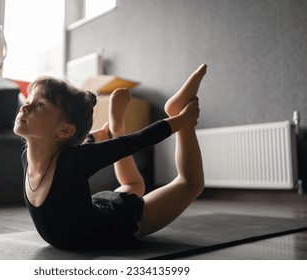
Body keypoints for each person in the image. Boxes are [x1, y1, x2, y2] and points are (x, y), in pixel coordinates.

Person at [13, 64, 207, 250]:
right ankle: (116, 129)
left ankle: (181, 118)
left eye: (39, 105)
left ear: (64, 130)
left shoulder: (73, 162)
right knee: (133, 186)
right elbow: (74, 150)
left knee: (190, 184)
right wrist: (94, 137)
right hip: (94, 210)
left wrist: (182, 120)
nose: (24, 108)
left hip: (113, 225)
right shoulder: (27, 159)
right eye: (28, 101)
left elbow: (135, 141)